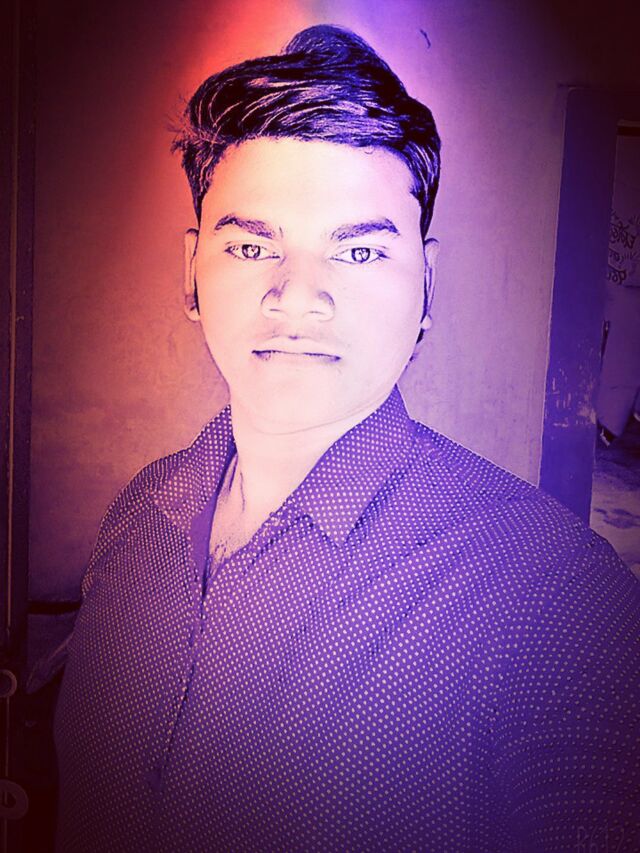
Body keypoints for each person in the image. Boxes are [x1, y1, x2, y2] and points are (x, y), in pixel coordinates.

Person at [54, 24, 640, 852]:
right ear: (191, 273)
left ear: (426, 286)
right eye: (251, 245)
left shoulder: (553, 595)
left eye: (358, 251)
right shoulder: (138, 515)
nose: (298, 296)